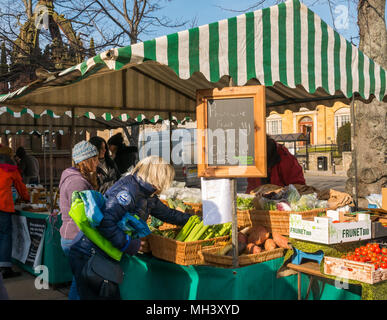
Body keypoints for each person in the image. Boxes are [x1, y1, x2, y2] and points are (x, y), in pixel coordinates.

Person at [68, 156, 192, 300]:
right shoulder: (129, 190)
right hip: (89, 252)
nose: (166, 184)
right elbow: (105, 222)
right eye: (166, 179)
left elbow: (169, 214)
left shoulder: (147, 195)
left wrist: (199, 220)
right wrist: (129, 243)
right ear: (158, 177)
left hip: (100, 253)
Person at [59, 140, 99, 300]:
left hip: (73, 237)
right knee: (81, 284)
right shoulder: (77, 182)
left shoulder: (73, 177)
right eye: (95, 159)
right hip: (77, 238)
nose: (97, 162)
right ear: (86, 160)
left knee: (80, 281)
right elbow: (84, 217)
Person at [0, 146, 29, 279]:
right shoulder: (10, 167)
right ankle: (5, 267)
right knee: (6, 235)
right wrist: (27, 198)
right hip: (3, 206)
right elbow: (20, 186)